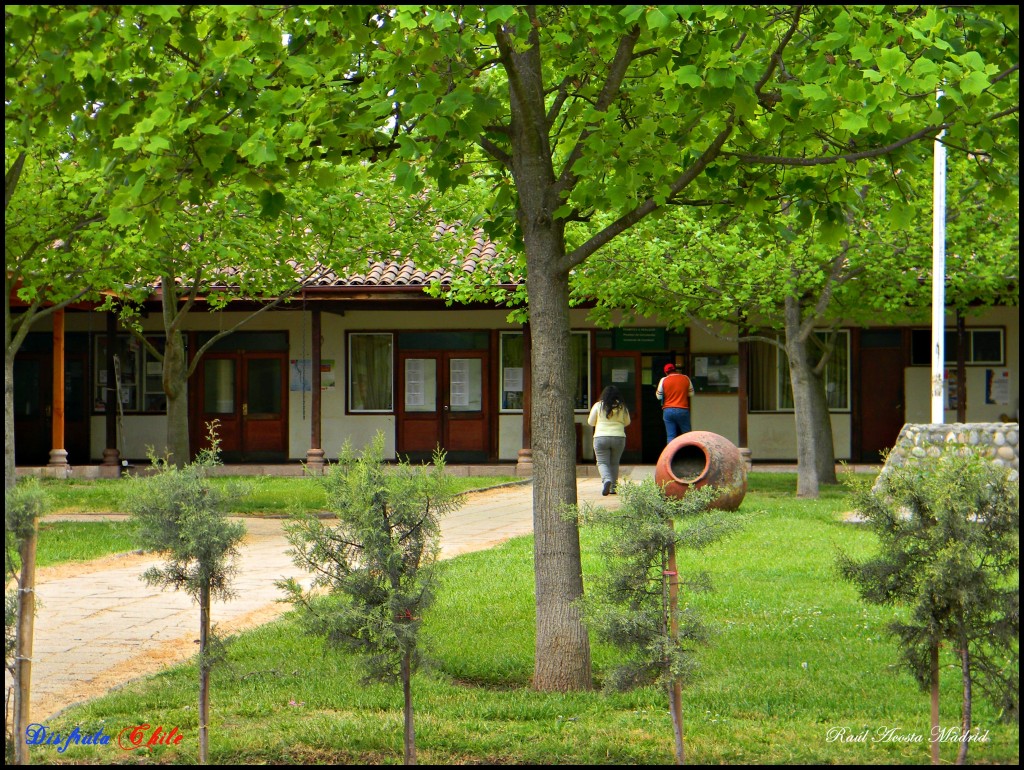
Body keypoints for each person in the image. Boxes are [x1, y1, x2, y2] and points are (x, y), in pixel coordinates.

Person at [587, 385, 631, 496]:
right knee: (614, 463)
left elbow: (591, 422)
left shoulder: (598, 406)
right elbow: (627, 422)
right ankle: (613, 488)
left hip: (601, 437)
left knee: (602, 462)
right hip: (619, 437)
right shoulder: (622, 407)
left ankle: (606, 479)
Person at [656, 362, 695, 444]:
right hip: (683, 409)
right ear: (675, 370)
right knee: (687, 434)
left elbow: (659, 396)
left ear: (666, 372)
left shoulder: (664, 380)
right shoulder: (686, 378)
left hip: (668, 410)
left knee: (671, 436)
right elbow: (691, 394)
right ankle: (689, 453)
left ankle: (670, 456)